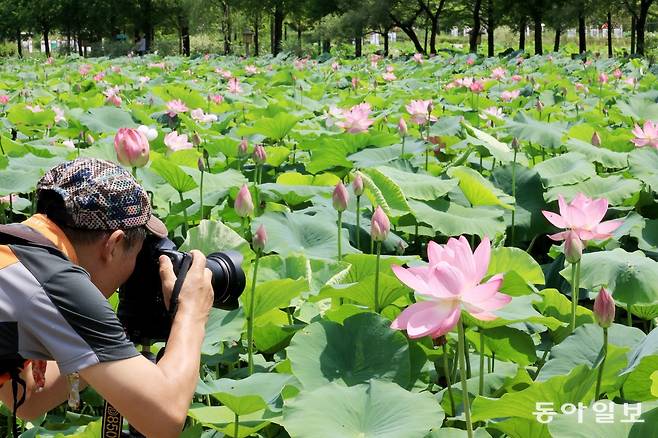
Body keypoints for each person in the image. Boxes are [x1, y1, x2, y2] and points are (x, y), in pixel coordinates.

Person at [0, 158, 214, 438]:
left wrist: (109, 345)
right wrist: (192, 311)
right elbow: (164, 418)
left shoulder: (17, 256)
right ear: (113, 245)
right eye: (136, 253)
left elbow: (28, 398)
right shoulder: (55, 282)